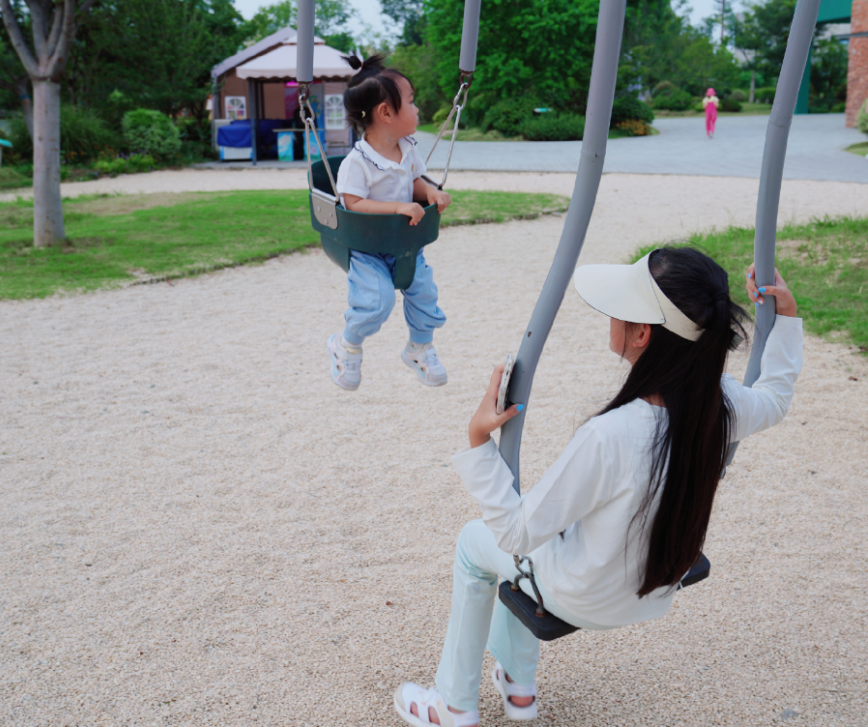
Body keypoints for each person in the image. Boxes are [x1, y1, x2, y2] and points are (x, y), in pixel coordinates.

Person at [394, 248, 803, 727]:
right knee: (531, 538)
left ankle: (454, 704)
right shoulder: (722, 403)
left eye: (618, 308)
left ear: (641, 334)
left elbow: (517, 535)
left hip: (586, 595)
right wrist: (788, 316)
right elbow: (775, 398)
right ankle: (518, 689)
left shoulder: (611, 436)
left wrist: (478, 438)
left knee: (476, 544)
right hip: (654, 589)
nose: (610, 315)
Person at [327, 53, 452, 391]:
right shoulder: (358, 162)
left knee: (425, 294)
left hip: (404, 244)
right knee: (376, 303)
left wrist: (431, 192)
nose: (417, 110)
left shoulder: (407, 149)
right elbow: (351, 202)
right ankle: (347, 345)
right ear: (385, 113)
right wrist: (397, 206)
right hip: (368, 248)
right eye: (410, 102)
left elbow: (414, 182)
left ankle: (419, 348)